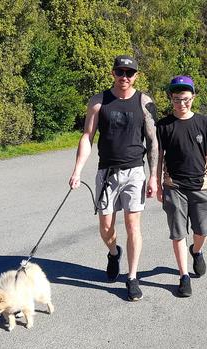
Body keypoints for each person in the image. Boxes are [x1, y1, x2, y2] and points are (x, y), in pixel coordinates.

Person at [69, 55, 158, 301]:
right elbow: (87, 137)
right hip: (106, 172)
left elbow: (152, 141)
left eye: (130, 73)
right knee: (106, 227)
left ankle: (131, 277)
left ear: (136, 76)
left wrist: (153, 177)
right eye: (120, 72)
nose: (125, 77)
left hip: (134, 172)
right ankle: (113, 253)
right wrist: (77, 171)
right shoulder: (99, 102)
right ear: (113, 73)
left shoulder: (144, 102)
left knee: (133, 226)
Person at [156, 75, 207, 297]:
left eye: (185, 99)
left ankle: (197, 251)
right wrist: (158, 183)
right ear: (170, 99)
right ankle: (183, 276)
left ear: (193, 97)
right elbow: (159, 157)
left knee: (202, 231)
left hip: (201, 186)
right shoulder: (164, 125)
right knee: (178, 233)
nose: (181, 104)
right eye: (176, 99)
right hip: (174, 186)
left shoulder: (204, 123)